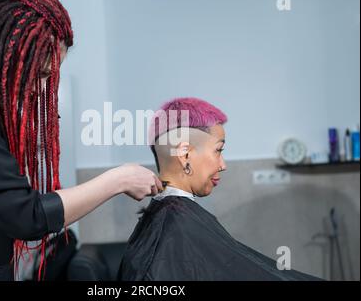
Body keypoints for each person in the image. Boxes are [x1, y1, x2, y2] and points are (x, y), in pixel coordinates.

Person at [0, 0, 162, 280]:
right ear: (6, 53)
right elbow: (25, 216)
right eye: (41, 73)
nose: (44, 88)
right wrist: (118, 179)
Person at [118, 97, 321, 281]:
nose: (223, 164)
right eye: (218, 150)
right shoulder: (177, 224)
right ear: (185, 154)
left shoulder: (162, 217)